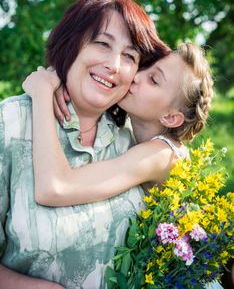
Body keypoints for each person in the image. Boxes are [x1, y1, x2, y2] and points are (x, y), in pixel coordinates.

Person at [0, 0, 170, 289]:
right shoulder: (11, 123)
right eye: (103, 44)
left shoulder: (130, 144)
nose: (114, 65)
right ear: (71, 45)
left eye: (129, 56)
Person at [23, 43, 222, 289]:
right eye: (145, 68)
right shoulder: (132, 133)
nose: (136, 77)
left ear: (170, 118)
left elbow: (54, 188)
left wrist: (42, 93)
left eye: (154, 81)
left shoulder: (162, 155)